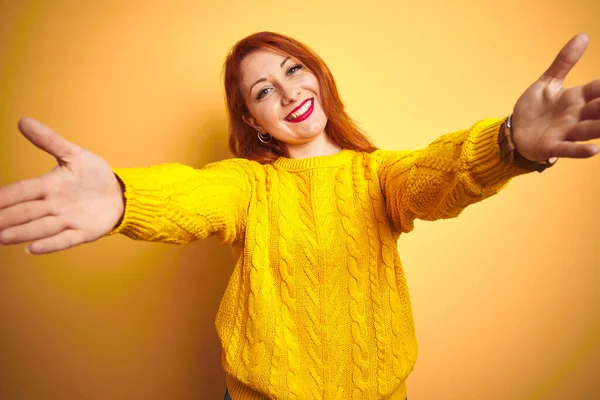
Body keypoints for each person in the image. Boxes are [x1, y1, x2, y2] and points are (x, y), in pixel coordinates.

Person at [0, 31, 599, 400]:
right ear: (254, 123)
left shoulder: (380, 175)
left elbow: (438, 176)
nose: (286, 93)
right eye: (262, 92)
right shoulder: (248, 185)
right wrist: (125, 198)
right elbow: (193, 196)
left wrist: (510, 144)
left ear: (317, 77)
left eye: (291, 70)